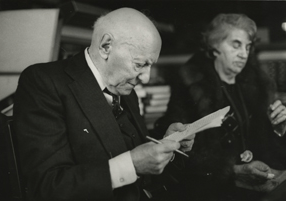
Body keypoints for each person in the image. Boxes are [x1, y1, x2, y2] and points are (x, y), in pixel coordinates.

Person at [13, 8, 194, 201]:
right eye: (140, 64)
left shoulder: (126, 90)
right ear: (106, 46)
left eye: (150, 65)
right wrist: (131, 165)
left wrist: (166, 144)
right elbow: (47, 186)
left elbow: (133, 152)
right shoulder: (44, 82)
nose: (147, 77)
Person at [155, 13, 286, 201]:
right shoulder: (190, 85)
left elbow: (269, 144)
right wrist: (232, 171)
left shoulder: (260, 85)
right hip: (215, 190)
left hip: (261, 182)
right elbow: (181, 150)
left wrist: (280, 129)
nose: (244, 53)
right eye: (236, 45)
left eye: (248, 46)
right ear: (215, 45)